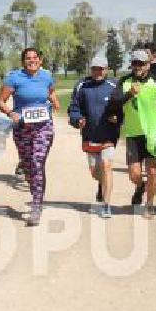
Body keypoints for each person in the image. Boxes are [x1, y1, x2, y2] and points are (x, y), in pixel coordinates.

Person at [0, 48, 61, 226]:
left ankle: (36, 205)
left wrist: (54, 101)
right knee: (27, 166)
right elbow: (1, 101)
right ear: (23, 61)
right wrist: (10, 113)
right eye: (28, 58)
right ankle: (35, 193)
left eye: (35, 58)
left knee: (37, 162)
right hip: (22, 127)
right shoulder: (14, 78)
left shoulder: (47, 76)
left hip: (43, 126)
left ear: (40, 60)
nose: (32, 61)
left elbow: (50, 91)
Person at [109, 49, 156, 219]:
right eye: (135, 63)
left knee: (153, 172)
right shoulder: (124, 81)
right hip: (133, 134)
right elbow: (114, 102)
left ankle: (150, 204)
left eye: (142, 63)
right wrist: (129, 94)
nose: (138, 66)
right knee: (134, 174)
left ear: (149, 64)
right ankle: (140, 186)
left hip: (153, 134)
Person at [67, 56, 121, 218]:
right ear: (91, 69)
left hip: (109, 136)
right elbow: (74, 108)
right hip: (90, 135)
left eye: (101, 69)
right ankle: (101, 183)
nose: (97, 72)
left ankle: (106, 205)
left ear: (106, 70)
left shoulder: (114, 86)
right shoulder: (82, 86)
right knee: (95, 172)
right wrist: (78, 120)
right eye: (94, 68)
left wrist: (118, 118)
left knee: (106, 166)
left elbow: (121, 108)